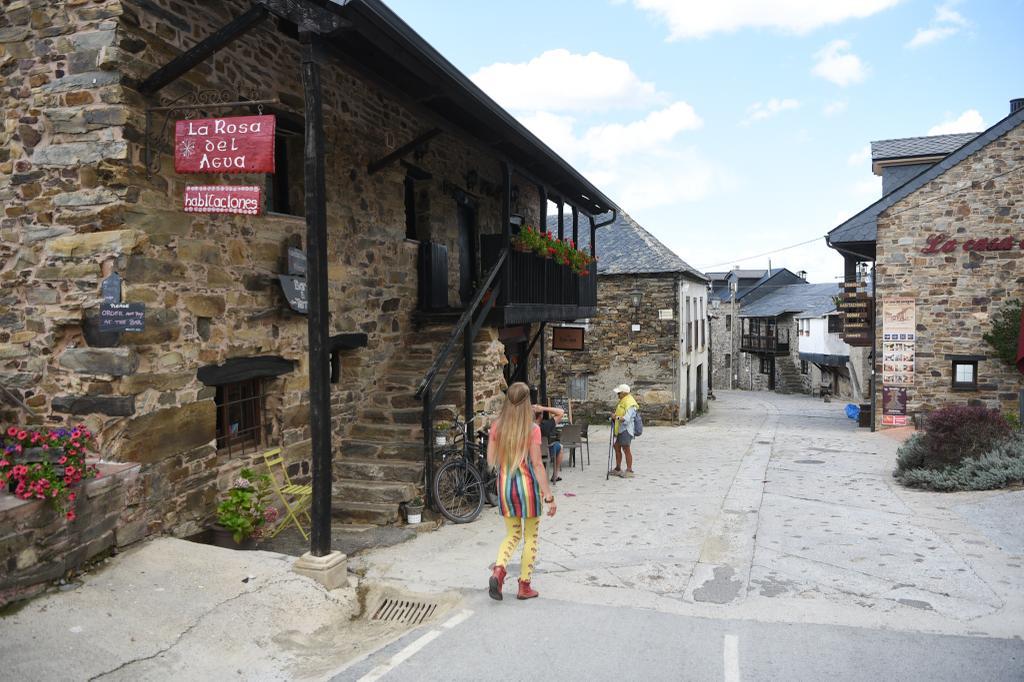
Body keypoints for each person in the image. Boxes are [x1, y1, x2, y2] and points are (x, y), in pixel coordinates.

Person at [487, 382, 557, 601]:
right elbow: (537, 464)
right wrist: (548, 495)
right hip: (528, 489)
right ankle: (524, 585)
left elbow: (491, 460)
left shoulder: (497, 426)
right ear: (527, 402)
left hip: (506, 488)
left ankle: (498, 571)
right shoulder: (532, 429)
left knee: (512, 534)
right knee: (530, 537)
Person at [610, 383, 639, 478]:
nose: (617, 395)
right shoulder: (623, 400)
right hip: (619, 429)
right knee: (616, 447)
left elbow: (626, 418)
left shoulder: (630, 403)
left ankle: (629, 470)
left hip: (626, 429)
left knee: (626, 449)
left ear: (624, 393)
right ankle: (618, 468)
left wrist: (616, 417)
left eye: (619, 393)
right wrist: (614, 418)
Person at [535, 403, 565, 484]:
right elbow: (561, 412)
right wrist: (543, 408)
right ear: (541, 416)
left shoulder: (525, 426)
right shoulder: (545, 425)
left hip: (528, 454)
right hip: (544, 452)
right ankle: (555, 475)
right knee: (560, 447)